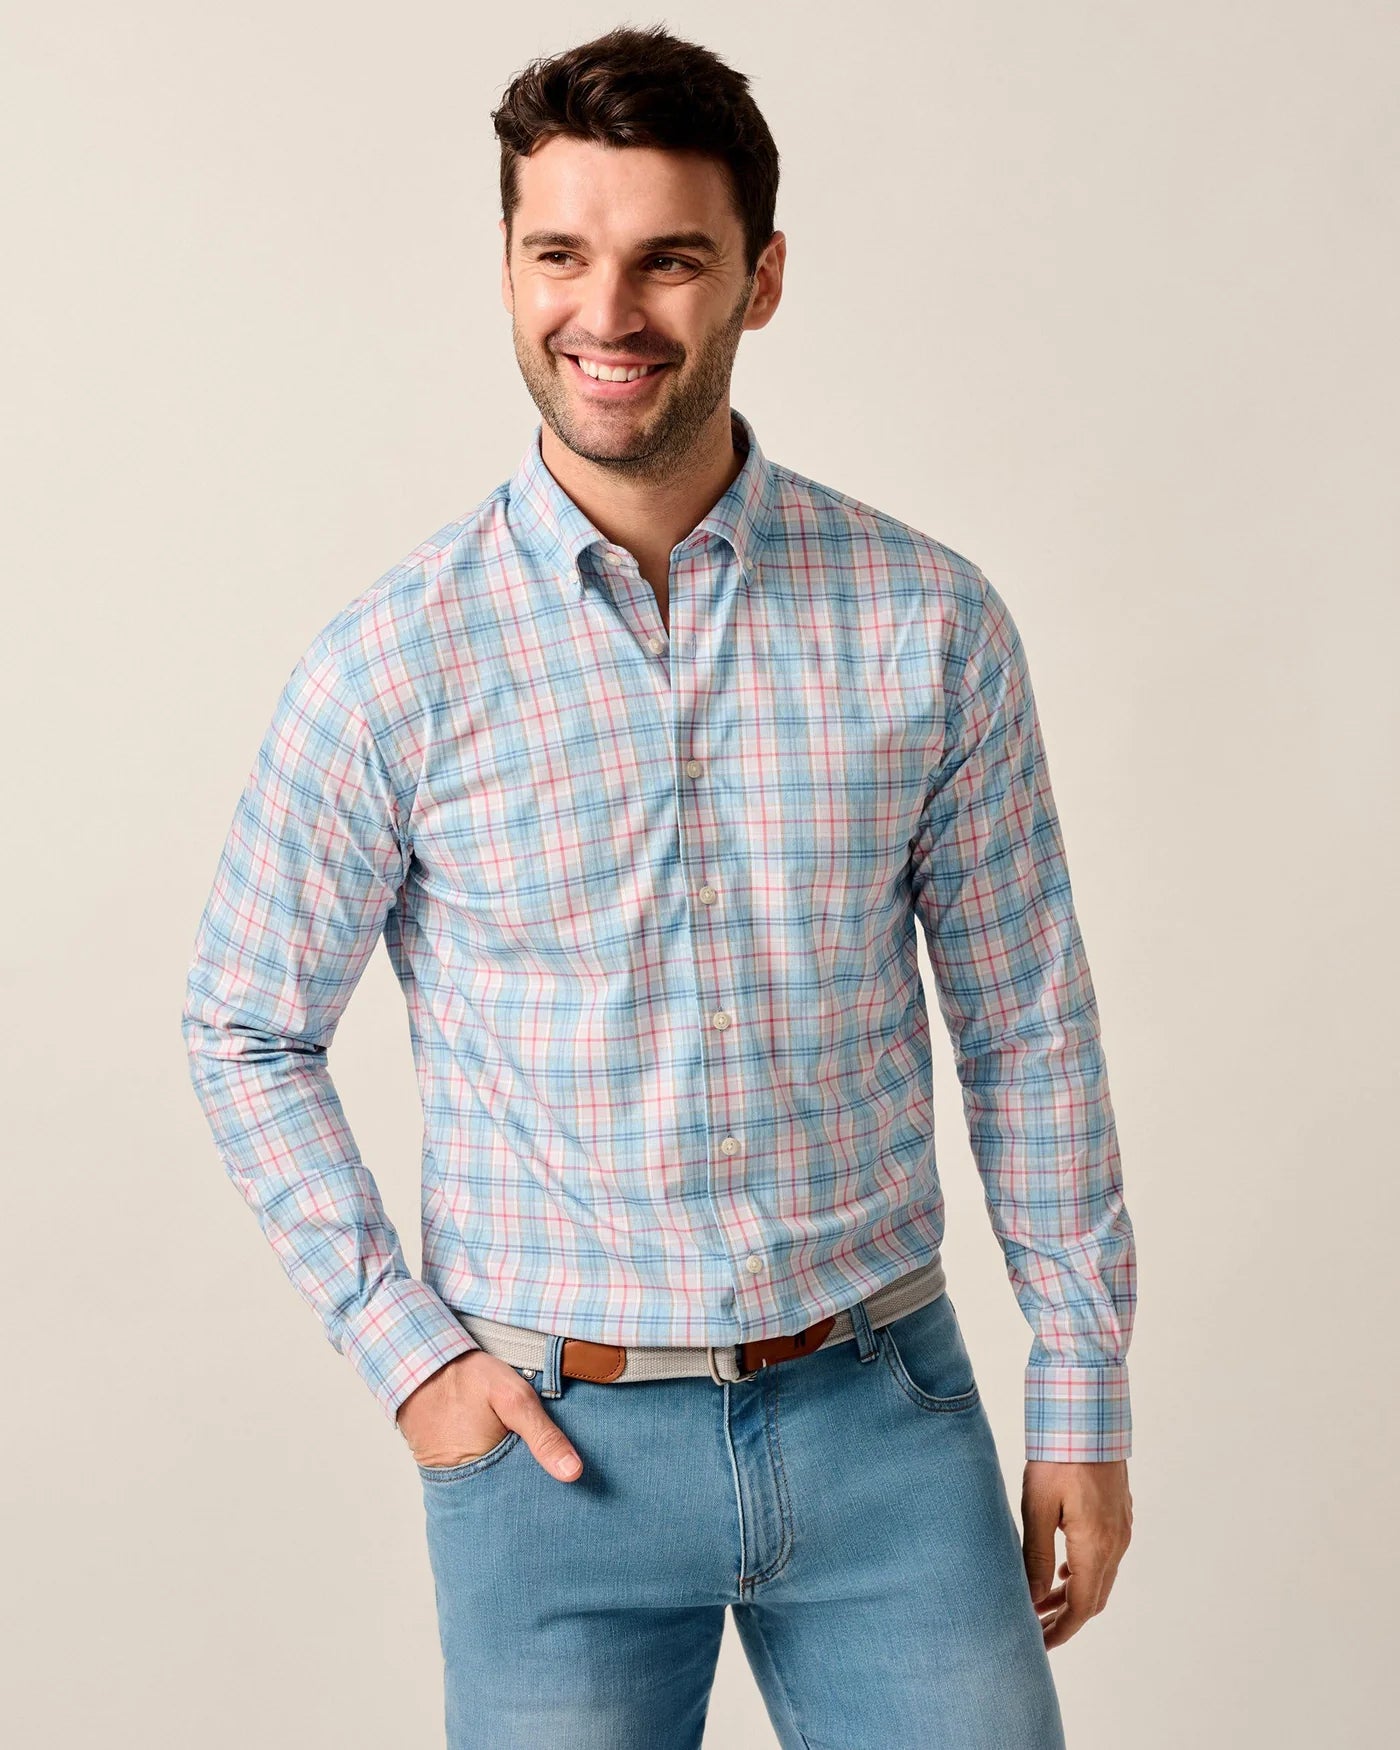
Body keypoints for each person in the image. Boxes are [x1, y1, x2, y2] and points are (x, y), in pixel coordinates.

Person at [181, 23, 1135, 1748]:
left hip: (883, 1418)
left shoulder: (928, 623)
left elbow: (1029, 1026)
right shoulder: (390, 665)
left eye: (668, 260)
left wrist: (1081, 1385)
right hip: (555, 1458)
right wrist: (412, 1354)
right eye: (560, 253)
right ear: (507, 267)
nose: (605, 312)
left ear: (761, 279)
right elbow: (244, 1024)